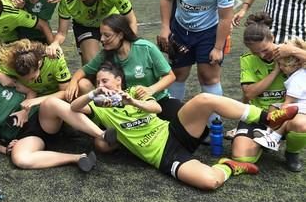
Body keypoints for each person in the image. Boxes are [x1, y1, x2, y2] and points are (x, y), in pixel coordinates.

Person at [71, 62, 299, 190]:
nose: (102, 85)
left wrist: (131, 100)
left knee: (204, 99)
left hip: (172, 131)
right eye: (98, 82)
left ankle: (266, 118)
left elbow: (157, 110)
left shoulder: (134, 91)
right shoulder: (100, 107)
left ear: (118, 80)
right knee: (210, 182)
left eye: (105, 81)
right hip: (162, 154)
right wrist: (93, 93)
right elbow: (73, 108)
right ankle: (230, 166)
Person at [159, 0, 234, 125]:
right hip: (180, 30)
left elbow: (226, 18)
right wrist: (165, 27)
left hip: (208, 33)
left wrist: (218, 48)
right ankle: (173, 122)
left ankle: (213, 125)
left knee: (208, 77)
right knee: (178, 74)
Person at [0, 75, 98, 171]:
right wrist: (5, 149)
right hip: (27, 137)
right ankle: (78, 158)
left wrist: (24, 112)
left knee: (50, 102)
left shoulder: (3, 84)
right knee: (20, 159)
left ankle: (101, 134)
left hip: (41, 118)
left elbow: (31, 91)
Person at [230, 13, 305, 172]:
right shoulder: (247, 59)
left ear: (272, 38)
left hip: (287, 115)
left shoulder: (290, 52)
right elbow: (249, 93)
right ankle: (265, 140)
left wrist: (293, 50)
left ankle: (292, 153)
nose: (262, 55)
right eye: (256, 52)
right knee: (241, 156)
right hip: (259, 115)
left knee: (302, 124)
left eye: (264, 49)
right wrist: (276, 71)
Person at [68, 14, 178, 119]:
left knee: (182, 117)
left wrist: (151, 89)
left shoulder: (146, 48)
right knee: (83, 83)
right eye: (101, 34)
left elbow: (170, 76)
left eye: (107, 35)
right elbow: (83, 70)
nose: (101, 39)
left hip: (156, 101)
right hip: (125, 106)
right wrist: (73, 83)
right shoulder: (105, 54)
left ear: (121, 35)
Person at [48, 0, 136, 65]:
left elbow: (131, 20)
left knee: (121, 59)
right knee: (93, 64)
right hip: (85, 27)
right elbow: (62, 33)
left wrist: (133, 45)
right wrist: (55, 43)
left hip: (110, 23)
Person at [250, 38, 306, 164]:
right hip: (302, 105)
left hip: (301, 107)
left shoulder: (296, 79)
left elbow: (288, 103)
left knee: (285, 113)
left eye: (282, 65)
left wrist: (281, 112)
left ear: (296, 64)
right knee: (275, 107)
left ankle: (274, 137)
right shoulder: (302, 72)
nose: (280, 68)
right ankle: (269, 133)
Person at [0, 39, 71, 106]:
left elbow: (65, 92)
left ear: (39, 64)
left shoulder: (55, 60)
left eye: (32, 78)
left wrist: (36, 101)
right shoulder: (10, 64)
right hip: (28, 98)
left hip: (53, 100)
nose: (29, 81)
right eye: (24, 79)